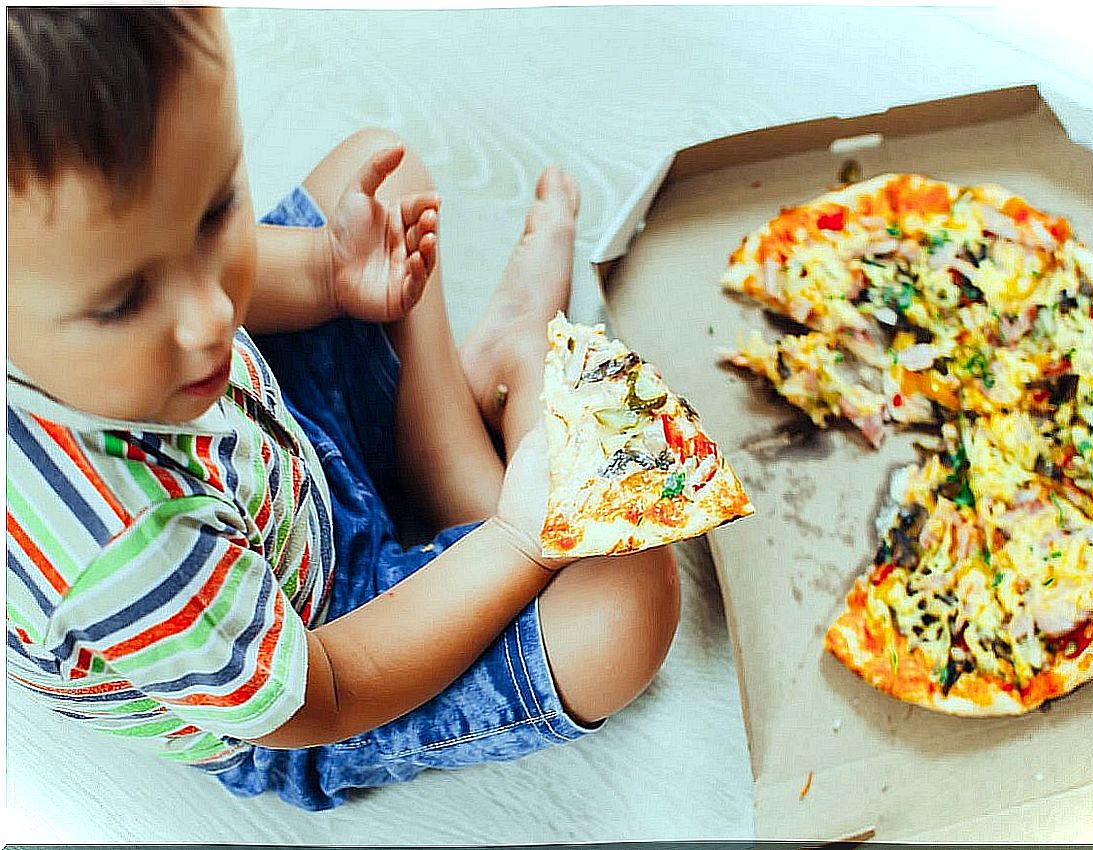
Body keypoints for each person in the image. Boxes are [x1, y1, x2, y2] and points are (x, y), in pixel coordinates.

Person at [5, 8, 680, 811]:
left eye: (214, 213)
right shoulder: (122, 553)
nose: (214, 314)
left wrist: (330, 272)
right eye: (122, 302)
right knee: (630, 601)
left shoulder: (122, 309)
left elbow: (225, 292)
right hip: (326, 652)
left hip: (280, 460)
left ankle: (450, 450)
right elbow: (318, 698)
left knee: (382, 169)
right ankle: (492, 437)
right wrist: (518, 547)